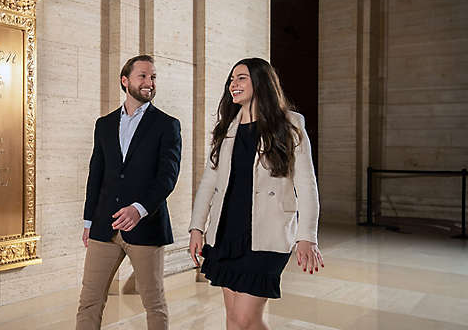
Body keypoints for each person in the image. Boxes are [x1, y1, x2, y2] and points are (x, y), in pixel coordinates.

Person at [188, 58, 324, 330]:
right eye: (231, 80)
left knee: (245, 318)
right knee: (233, 318)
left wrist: (306, 236)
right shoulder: (226, 128)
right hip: (227, 232)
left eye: (241, 78)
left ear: (260, 82)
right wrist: (196, 228)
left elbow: (306, 184)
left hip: (268, 235)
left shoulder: (290, 126)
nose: (233, 85)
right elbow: (208, 182)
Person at [77, 55, 182, 330]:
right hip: (104, 227)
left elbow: (167, 177)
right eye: (143, 76)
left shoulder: (167, 125)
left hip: (146, 226)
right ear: (125, 81)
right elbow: (96, 175)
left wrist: (139, 209)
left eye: (153, 77)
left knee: (154, 304)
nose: (149, 82)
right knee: (89, 300)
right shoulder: (104, 124)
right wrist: (89, 221)